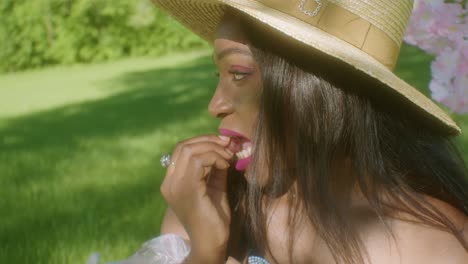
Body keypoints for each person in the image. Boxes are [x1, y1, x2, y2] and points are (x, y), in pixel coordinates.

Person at [122, 0, 468, 263]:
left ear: (318, 89)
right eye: (220, 76)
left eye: (238, 74)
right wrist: (203, 249)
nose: (216, 106)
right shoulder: (216, 206)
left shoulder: (427, 246)